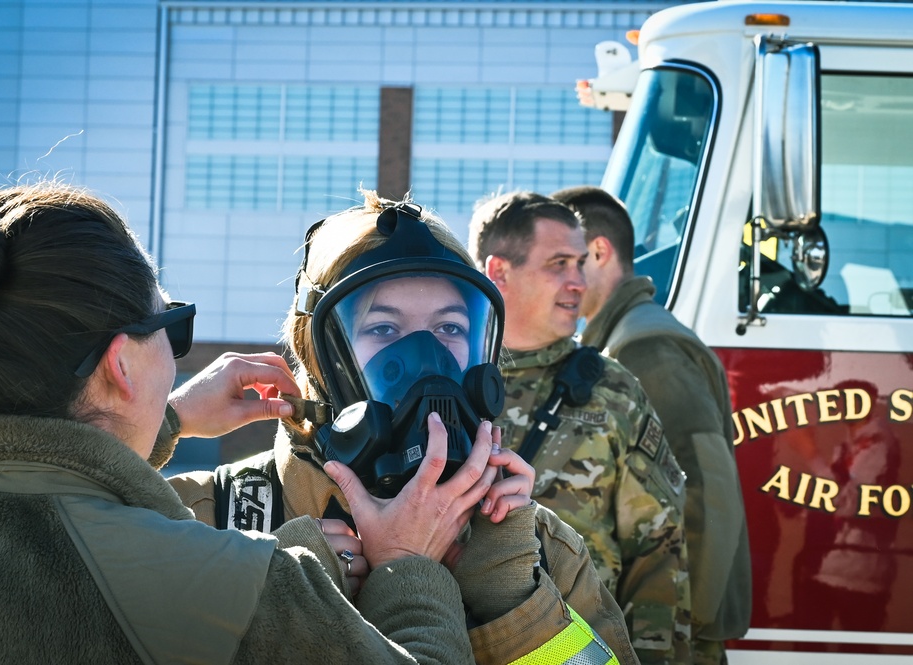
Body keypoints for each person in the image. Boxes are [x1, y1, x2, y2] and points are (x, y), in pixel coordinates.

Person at [0, 183, 500, 664]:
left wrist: (167, 419)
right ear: (122, 363)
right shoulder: (234, 576)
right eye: (171, 324)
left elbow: (51, 498)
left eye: (451, 327)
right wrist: (407, 567)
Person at [169, 190, 640, 665]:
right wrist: (271, 595)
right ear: (316, 356)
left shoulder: (534, 552)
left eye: (450, 328)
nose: (425, 359)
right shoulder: (207, 521)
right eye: (384, 330)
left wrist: (514, 604)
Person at [469, 190, 693, 664]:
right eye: (558, 264)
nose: (579, 281)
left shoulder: (612, 390)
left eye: (580, 263)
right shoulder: (444, 387)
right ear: (498, 272)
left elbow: (658, 553)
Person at [551, 185, 752, 664]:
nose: (561, 283)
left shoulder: (645, 348)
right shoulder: (623, 339)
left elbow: (707, 488)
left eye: (565, 261)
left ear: (598, 252)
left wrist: (685, 624)